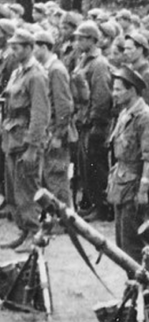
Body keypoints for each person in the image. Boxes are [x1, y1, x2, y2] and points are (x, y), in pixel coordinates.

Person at [1, 28, 50, 250]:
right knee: (14, 190)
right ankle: (24, 230)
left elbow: (40, 114)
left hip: (25, 140)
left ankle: (34, 232)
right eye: (11, 46)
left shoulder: (36, 75)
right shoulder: (18, 72)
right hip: (12, 138)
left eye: (17, 47)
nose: (13, 50)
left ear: (30, 48)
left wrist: (32, 147)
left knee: (27, 189)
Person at [106, 67, 149, 265]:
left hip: (134, 188)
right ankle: (134, 289)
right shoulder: (125, 114)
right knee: (123, 244)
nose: (115, 93)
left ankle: (144, 291)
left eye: (119, 89)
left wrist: (143, 190)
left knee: (134, 246)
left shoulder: (144, 118)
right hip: (121, 185)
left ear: (132, 90)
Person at [70, 21, 113, 221]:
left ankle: (103, 206)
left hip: (94, 123)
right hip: (83, 120)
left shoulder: (99, 64)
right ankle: (95, 204)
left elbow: (102, 96)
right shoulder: (84, 60)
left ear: (92, 40)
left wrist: (98, 123)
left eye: (81, 38)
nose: (77, 41)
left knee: (96, 167)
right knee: (86, 167)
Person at [33, 30, 74, 208]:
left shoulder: (56, 70)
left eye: (34, 48)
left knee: (56, 175)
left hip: (56, 133)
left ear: (43, 47)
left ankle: (64, 218)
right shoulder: (47, 68)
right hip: (49, 131)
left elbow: (64, 105)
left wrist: (58, 134)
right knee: (49, 175)